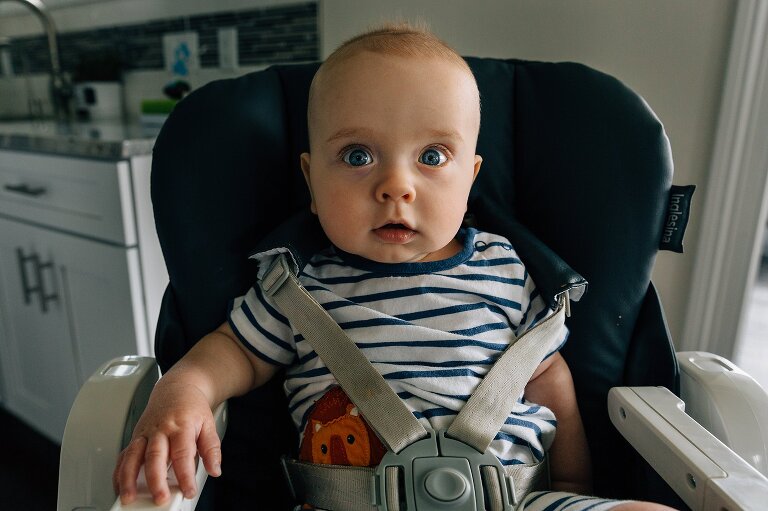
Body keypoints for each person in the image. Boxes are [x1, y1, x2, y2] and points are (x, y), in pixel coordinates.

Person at [114, 23, 677, 511]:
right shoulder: (298, 286)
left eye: (432, 157)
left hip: (518, 499)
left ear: (471, 179)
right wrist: (184, 389)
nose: (396, 187)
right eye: (358, 156)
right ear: (311, 181)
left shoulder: (507, 269)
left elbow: (548, 375)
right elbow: (234, 351)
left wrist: (576, 483)